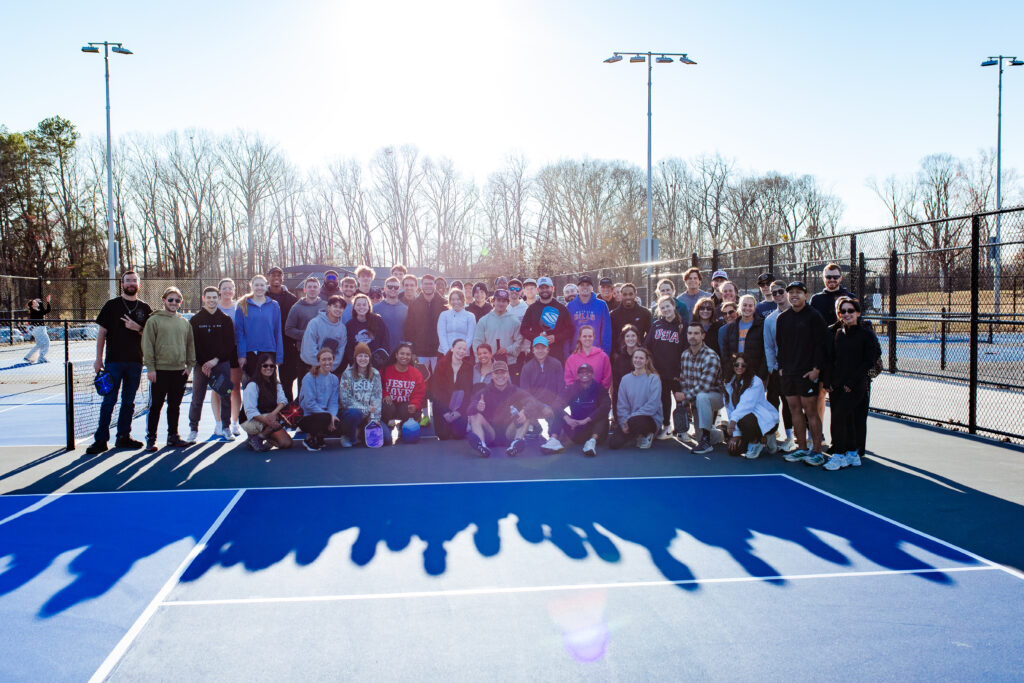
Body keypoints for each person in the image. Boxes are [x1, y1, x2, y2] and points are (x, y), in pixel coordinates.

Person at [87, 271, 153, 454]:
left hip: (135, 362)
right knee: (109, 400)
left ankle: (123, 437)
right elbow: (102, 333)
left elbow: (150, 335)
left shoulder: (145, 308)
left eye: (134, 281)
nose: (131, 283)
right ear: (122, 284)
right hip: (113, 362)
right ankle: (101, 440)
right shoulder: (111, 305)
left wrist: (137, 327)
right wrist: (98, 359)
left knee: (128, 402)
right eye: (128, 280)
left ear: (139, 284)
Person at [776, 281, 829, 466]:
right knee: (794, 410)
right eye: (791, 292)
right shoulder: (782, 318)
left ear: (806, 295)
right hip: (789, 373)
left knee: (811, 411)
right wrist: (782, 367)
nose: (794, 295)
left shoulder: (814, 316)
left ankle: (817, 451)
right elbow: (781, 345)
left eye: (799, 292)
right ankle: (802, 448)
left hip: (807, 374)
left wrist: (816, 369)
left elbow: (822, 345)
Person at [825, 297, 880, 470]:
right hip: (838, 384)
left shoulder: (866, 334)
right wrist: (829, 381)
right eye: (843, 311)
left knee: (839, 417)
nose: (847, 314)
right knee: (846, 418)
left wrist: (852, 381)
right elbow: (834, 359)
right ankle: (851, 454)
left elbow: (869, 360)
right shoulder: (839, 333)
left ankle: (839, 455)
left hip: (856, 385)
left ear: (858, 313)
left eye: (850, 311)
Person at [142, 287, 196, 451]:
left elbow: (190, 345)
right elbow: (148, 345)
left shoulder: (184, 322)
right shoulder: (154, 320)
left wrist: (189, 367)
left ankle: (173, 436)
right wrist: (151, 368)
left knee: (174, 406)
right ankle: (151, 438)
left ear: (180, 303)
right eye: (171, 299)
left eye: (177, 300)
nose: (174, 303)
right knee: (156, 406)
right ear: (164, 300)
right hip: (159, 372)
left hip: (179, 372)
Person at [188, 286, 238, 442]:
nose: (211, 300)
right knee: (197, 398)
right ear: (204, 299)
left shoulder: (225, 319)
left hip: (221, 364)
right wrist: (204, 363)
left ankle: (226, 427)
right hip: (201, 366)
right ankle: (193, 429)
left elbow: (229, 344)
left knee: (225, 395)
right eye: (208, 297)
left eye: (214, 297)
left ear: (218, 298)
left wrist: (215, 360)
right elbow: (193, 345)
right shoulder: (195, 320)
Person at [465, 361, 536, 458]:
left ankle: (515, 444)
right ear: (492, 375)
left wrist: (524, 411)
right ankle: (481, 445)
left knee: (526, 415)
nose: (500, 376)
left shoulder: (516, 391)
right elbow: (469, 409)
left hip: (509, 434)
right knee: (474, 415)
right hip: (491, 434)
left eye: (503, 372)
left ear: (508, 374)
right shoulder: (484, 392)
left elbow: (532, 401)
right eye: (496, 373)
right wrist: (476, 407)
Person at [540, 363, 611, 457]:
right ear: (578, 376)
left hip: (595, 431)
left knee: (603, 413)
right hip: (575, 429)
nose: (584, 374)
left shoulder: (599, 388)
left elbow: (606, 406)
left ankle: (591, 443)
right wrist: (567, 419)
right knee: (559, 411)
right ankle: (554, 440)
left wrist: (586, 420)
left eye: (588, 372)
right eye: (581, 372)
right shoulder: (572, 388)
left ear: (592, 375)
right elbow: (556, 404)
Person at [677, 322, 726, 455]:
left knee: (702, 396)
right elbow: (685, 382)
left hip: (715, 397)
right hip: (696, 398)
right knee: (699, 436)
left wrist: (685, 397)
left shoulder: (710, 356)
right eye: (690, 333)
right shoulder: (685, 355)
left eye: (696, 333)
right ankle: (723, 434)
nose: (692, 336)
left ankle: (706, 443)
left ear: (703, 336)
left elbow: (705, 386)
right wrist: (686, 404)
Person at [724, 353, 780, 459]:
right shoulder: (729, 383)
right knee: (734, 450)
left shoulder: (755, 381)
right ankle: (762, 438)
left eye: (743, 365)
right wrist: (736, 435)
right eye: (737, 364)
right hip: (743, 423)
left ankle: (758, 440)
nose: (740, 367)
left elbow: (746, 406)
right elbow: (730, 410)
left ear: (747, 366)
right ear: (732, 366)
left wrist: (732, 423)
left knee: (743, 417)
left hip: (763, 420)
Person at [762, 280, 796, 452]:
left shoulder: (799, 314)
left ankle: (792, 437)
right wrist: (771, 367)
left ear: (787, 292)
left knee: (792, 404)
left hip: (796, 369)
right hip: (777, 369)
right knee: (772, 402)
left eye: (781, 291)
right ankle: (772, 436)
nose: (777, 295)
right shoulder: (770, 320)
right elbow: (768, 346)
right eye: (774, 293)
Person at [645, 297, 685, 439]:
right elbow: (647, 346)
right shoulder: (656, 325)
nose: (666, 310)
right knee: (664, 400)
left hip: (676, 372)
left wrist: (681, 371)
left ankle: (682, 429)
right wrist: (651, 368)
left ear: (673, 306)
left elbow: (686, 350)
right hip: (659, 371)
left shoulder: (682, 326)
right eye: (662, 308)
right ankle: (667, 426)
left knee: (680, 400)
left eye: (668, 306)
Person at [610, 347, 662, 450]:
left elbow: (653, 406)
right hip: (629, 420)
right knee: (613, 443)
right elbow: (622, 405)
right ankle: (636, 434)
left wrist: (630, 418)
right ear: (632, 359)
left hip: (649, 419)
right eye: (636, 357)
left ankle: (647, 434)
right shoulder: (625, 379)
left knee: (636, 422)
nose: (638, 360)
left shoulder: (654, 379)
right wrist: (623, 422)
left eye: (641, 358)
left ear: (646, 361)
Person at [235, 275, 284, 381]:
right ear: (251, 286)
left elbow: (277, 331)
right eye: (256, 285)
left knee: (268, 385)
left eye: (262, 285)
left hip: (269, 351)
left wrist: (279, 356)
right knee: (252, 385)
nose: (259, 288)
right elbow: (240, 332)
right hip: (250, 352)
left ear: (266, 286)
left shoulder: (274, 305)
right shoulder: (242, 305)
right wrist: (242, 355)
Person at [241, 353, 293, 451]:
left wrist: (273, 414)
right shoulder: (252, 385)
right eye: (265, 365)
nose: (268, 368)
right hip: (250, 420)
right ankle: (256, 437)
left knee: (286, 443)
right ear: (259, 367)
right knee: (276, 418)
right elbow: (250, 411)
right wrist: (270, 421)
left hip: (269, 418)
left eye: (271, 366)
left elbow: (283, 401)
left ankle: (264, 436)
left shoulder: (276, 384)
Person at [285, 276, 328, 392]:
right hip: (303, 353)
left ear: (319, 290)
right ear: (305, 289)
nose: (312, 289)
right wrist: (307, 334)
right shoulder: (297, 308)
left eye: (315, 287)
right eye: (309, 287)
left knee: (322, 386)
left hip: (323, 352)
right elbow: (288, 329)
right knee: (305, 386)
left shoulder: (326, 306)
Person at [428, 339, 474, 440]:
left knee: (458, 435)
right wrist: (445, 413)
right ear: (452, 348)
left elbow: (468, 392)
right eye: (459, 348)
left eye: (464, 349)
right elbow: (436, 391)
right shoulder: (441, 365)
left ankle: (464, 424)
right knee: (443, 436)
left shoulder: (469, 367)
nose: (461, 351)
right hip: (442, 408)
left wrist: (459, 412)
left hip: (460, 409)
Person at [521, 277, 575, 362]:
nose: (544, 290)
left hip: (556, 354)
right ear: (537, 289)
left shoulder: (561, 308)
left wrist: (556, 338)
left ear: (552, 288)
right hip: (537, 354)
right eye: (542, 288)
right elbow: (523, 329)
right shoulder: (532, 309)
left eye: (547, 287)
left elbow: (570, 330)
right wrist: (537, 337)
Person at [339, 342, 383, 447]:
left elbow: (377, 398)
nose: (363, 359)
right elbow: (345, 400)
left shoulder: (375, 374)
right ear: (355, 358)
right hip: (352, 415)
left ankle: (361, 433)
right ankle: (347, 435)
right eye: (360, 356)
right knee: (355, 414)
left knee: (386, 439)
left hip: (369, 416)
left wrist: (374, 420)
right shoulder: (347, 374)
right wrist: (366, 409)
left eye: (366, 356)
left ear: (369, 358)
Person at [266, 266, 299, 403]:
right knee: (267, 378)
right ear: (268, 277)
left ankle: (288, 409)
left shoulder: (291, 299)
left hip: (287, 344)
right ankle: (269, 407)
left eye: (279, 275)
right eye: (273, 275)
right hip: (267, 342)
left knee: (287, 380)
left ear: (282, 278)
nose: (276, 278)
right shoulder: (262, 297)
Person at [297, 347, 341, 451]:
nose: (327, 362)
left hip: (324, 415)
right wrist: (328, 416)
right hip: (307, 416)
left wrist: (332, 417)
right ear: (318, 361)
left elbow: (333, 402)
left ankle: (319, 435)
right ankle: (309, 438)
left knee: (338, 423)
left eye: (330, 359)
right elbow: (309, 403)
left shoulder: (334, 379)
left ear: (333, 360)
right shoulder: (309, 377)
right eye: (324, 359)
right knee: (325, 418)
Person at [215, 278, 243, 436]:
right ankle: (219, 423)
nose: (227, 291)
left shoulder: (239, 307)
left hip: (234, 352)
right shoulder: (214, 307)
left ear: (234, 290)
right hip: (216, 353)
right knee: (217, 388)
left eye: (230, 288)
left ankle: (234, 422)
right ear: (219, 290)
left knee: (235, 387)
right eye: (224, 288)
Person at [381, 342, 426, 438]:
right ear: (396, 355)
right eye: (402, 353)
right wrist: (385, 394)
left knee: (409, 409)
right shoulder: (385, 370)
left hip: (404, 405)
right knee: (387, 407)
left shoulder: (416, 373)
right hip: (389, 406)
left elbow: (419, 392)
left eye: (408, 354)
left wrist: (414, 404)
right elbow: (378, 386)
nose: (405, 356)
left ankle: (403, 428)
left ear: (411, 357)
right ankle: (386, 427)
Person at [404, 274, 446, 373]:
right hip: (420, 352)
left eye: (431, 284)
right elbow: (409, 329)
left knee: (439, 379)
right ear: (421, 286)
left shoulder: (444, 303)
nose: (428, 286)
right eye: (425, 284)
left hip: (439, 351)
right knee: (421, 379)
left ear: (434, 285)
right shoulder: (414, 304)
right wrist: (412, 351)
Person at [472, 289, 523, 372]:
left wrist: (508, 349)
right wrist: (480, 360)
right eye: (498, 300)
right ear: (493, 301)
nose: (501, 303)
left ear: (508, 303)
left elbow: (519, 342)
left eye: (504, 301)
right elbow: (477, 342)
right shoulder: (484, 321)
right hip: (489, 364)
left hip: (509, 364)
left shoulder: (515, 321)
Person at [721, 295, 766, 381]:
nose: (747, 308)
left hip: (755, 373)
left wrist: (762, 374)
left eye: (750, 306)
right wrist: (729, 369)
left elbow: (765, 351)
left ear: (754, 308)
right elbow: (726, 351)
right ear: (739, 307)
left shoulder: (762, 325)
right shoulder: (731, 327)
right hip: (735, 372)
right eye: (744, 305)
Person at [300, 295, 348, 376]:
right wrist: (321, 366)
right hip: (311, 368)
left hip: (330, 371)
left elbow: (340, 351)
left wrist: (330, 367)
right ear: (329, 307)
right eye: (335, 306)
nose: (338, 309)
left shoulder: (342, 329)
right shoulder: (314, 323)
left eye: (341, 307)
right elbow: (309, 348)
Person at [344, 293, 389, 370]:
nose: (361, 307)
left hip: (377, 365)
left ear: (369, 306)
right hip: (358, 365)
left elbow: (385, 342)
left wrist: (378, 361)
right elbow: (349, 348)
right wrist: (355, 364)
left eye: (364, 305)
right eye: (358, 305)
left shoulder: (378, 321)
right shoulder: (350, 325)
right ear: (354, 307)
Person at [518, 336, 564, 409]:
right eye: (537, 348)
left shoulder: (556, 364)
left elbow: (561, 389)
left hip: (555, 407)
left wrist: (555, 407)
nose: (540, 351)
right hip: (535, 408)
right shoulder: (527, 368)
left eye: (543, 348)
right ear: (533, 350)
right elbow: (525, 394)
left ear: (548, 349)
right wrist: (540, 408)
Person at [564, 324, 612, 389]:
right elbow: (569, 380)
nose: (587, 338)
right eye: (584, 336)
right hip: (577, 394)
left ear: (593, 337)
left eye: (590, 336)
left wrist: (599, 392)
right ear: (580, 338)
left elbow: (607, 378)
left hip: (598, 393)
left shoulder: (603, 357)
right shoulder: (571, 359)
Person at [610, 283, 652, 353]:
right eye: (625, 294)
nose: (628, 297)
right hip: (620, 354)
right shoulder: (613, 315)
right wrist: (615, 354)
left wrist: (643, 348)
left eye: (630, 294)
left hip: (639, 354)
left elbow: (650, 335)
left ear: (635, 294)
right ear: (621, 295)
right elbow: (612, 337)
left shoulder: (645, 313)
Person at [611, 324, 643, 418]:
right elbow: (616, 388)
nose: (630, 339)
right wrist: (616, 414)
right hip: (624, 403)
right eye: (627, 336)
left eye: (633, 336)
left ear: (637, 338)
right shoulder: (619, 359)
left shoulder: (644, 357)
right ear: (624, 339)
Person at [436, 288, 476, 356]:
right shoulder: (444, 315)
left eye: (458, 299)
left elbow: (470, 337)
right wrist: (448, 353)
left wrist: (462, 352)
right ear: (450, 301)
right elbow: (442, 335)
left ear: (463, 300)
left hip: (463, 354)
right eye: (453, 299)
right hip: (445, 353)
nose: (455, 302)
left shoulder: (470, 316)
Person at [375, 276, 408, 354]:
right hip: (381, 352)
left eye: (396, 287)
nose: (393, 289)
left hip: (400, 353)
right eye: (390, 286)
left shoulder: (406, 309)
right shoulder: (375, 308)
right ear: (385, 288)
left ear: (399, 289)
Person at [23, 295, 51, 363]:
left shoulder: (37, 310)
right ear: (32, 305)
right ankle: (41, 358)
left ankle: (28, 356)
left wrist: (48, 302)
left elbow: (48, 310)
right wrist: (41, 303)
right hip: (38, 329)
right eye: (35, 302)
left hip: (40, 329)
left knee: (39, 345)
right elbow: (41, 312)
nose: (37, 302)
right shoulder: (33, 311)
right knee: (46, 343)